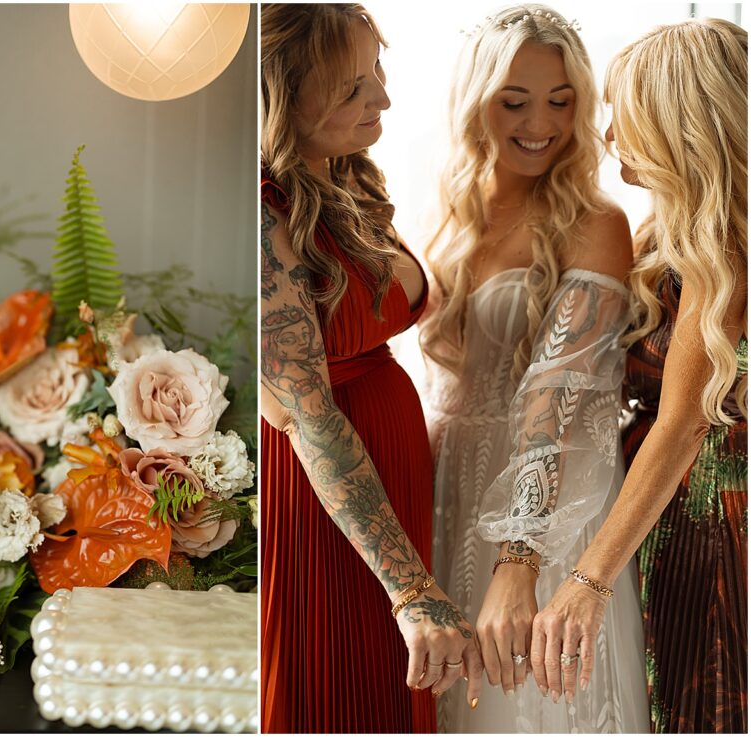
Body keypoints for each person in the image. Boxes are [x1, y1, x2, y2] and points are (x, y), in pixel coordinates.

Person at [420, 5, 649, 732]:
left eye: (561, 99)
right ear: (475, 102)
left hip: (549, 513)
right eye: (514, 100)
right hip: (447, 490)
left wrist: (518, 564)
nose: (539, 122)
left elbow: (557, 399)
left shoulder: (595, 221)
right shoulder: (447, 217)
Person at [259, 4, 482, 732]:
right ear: (279, 96)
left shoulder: (346, 176)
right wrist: (411, 589)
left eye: (376, 73)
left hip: (389, 484)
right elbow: (308, 414)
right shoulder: (263, 212)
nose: (381, 98)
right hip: (323, 507)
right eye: (352, 86)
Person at [532, 18, 748, 733]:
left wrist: (586, 580)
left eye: (628, 112)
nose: (610, 132)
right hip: (666, 524)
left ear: (678, 121)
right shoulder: (666, 232)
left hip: (715, 531)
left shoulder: (728, 249)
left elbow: (684, 422)